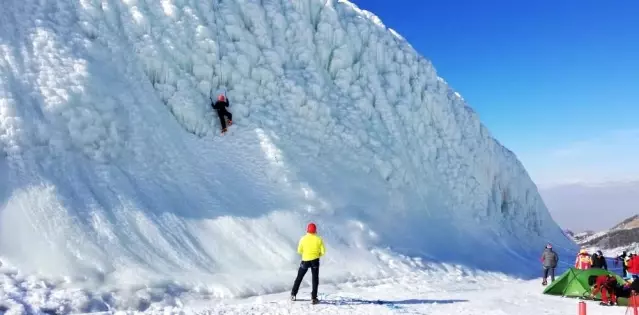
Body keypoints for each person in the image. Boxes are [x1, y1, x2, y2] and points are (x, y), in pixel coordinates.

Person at [290, 222, 326, 304]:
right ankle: (313, 297)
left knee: (299, 277)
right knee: (315, 279)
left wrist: (306, 253)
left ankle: (293, 294)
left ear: (307, 229)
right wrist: (318, 254)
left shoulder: (303, 238)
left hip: (305, 260)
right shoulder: (319, 239)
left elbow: (299, 251)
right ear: (315, 230)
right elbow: (323, 251)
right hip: (315, 261)